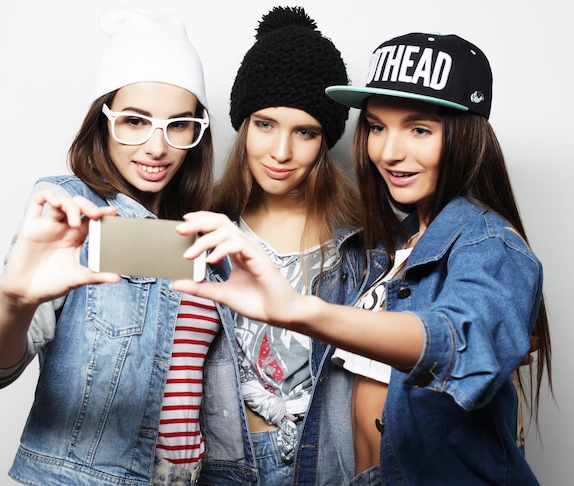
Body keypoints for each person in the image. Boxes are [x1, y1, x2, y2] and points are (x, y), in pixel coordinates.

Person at [172, 31, 553, 485]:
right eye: (376, 127)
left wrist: (301, 310)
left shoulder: (485, 241)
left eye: (419, 129)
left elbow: (460, 338)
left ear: (466, 135)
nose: (388, 152)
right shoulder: (393, 249)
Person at [0, 7, 227, 485]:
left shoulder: (208, 231)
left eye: (179, 125)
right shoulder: (69, 209)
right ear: (103, 120)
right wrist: (15, 302)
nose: (156, 146)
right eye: (134, 120)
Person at [197, 6, 364, 485]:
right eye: (266, 124)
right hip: (225, 465)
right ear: (243, 124)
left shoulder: (363, 246)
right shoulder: (204, 233)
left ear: (325, 139)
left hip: (331, 464)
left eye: (305, 132)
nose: (281, 152)